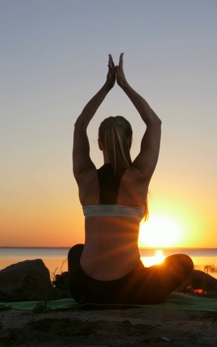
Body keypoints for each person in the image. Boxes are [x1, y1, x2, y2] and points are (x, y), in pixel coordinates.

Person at [68, 53, 193, 305]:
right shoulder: (138, 177)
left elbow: (80, 125)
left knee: (77, 251)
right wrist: (124, 85)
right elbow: (154, 124)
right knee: (183, 262)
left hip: (86, 292)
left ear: (99, 143)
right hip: (131, 291)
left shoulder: (85, 176)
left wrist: (106, 88)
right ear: (130, 141)